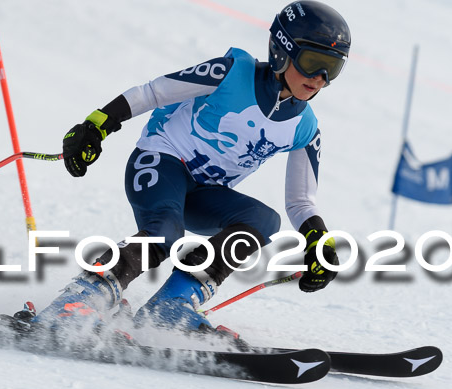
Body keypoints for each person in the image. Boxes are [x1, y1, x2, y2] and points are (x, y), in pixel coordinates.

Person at [26, 1, 349, 337]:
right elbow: (153, 93)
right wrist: (97, 125)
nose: (320, 78)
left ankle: (172, 304)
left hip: (203, 194)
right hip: (160, 163)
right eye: (314, 62)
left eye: (333, 68)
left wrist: (317, 243)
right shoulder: (231, 73)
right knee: (165, 232)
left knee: (264, 220)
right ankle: (81, 298)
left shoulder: (304, 126)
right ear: (282, 51)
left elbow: (301, 201)